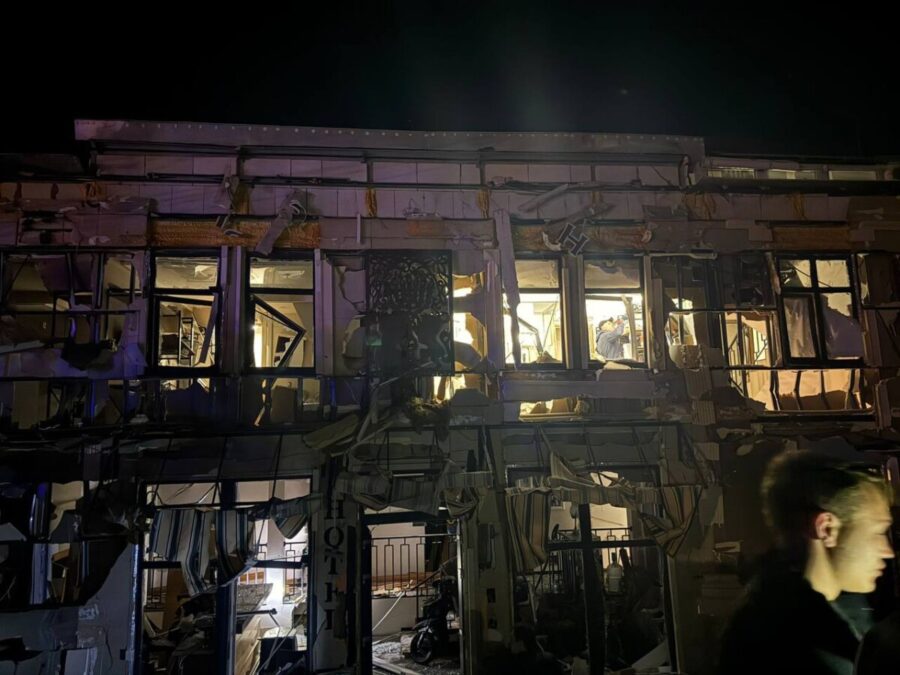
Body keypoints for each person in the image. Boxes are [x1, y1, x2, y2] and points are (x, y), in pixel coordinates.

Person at [718, 451, 894, 675]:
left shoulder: (775, 607)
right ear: (827, 529)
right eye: (878, 532)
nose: (888, 552)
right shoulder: (800, 647)